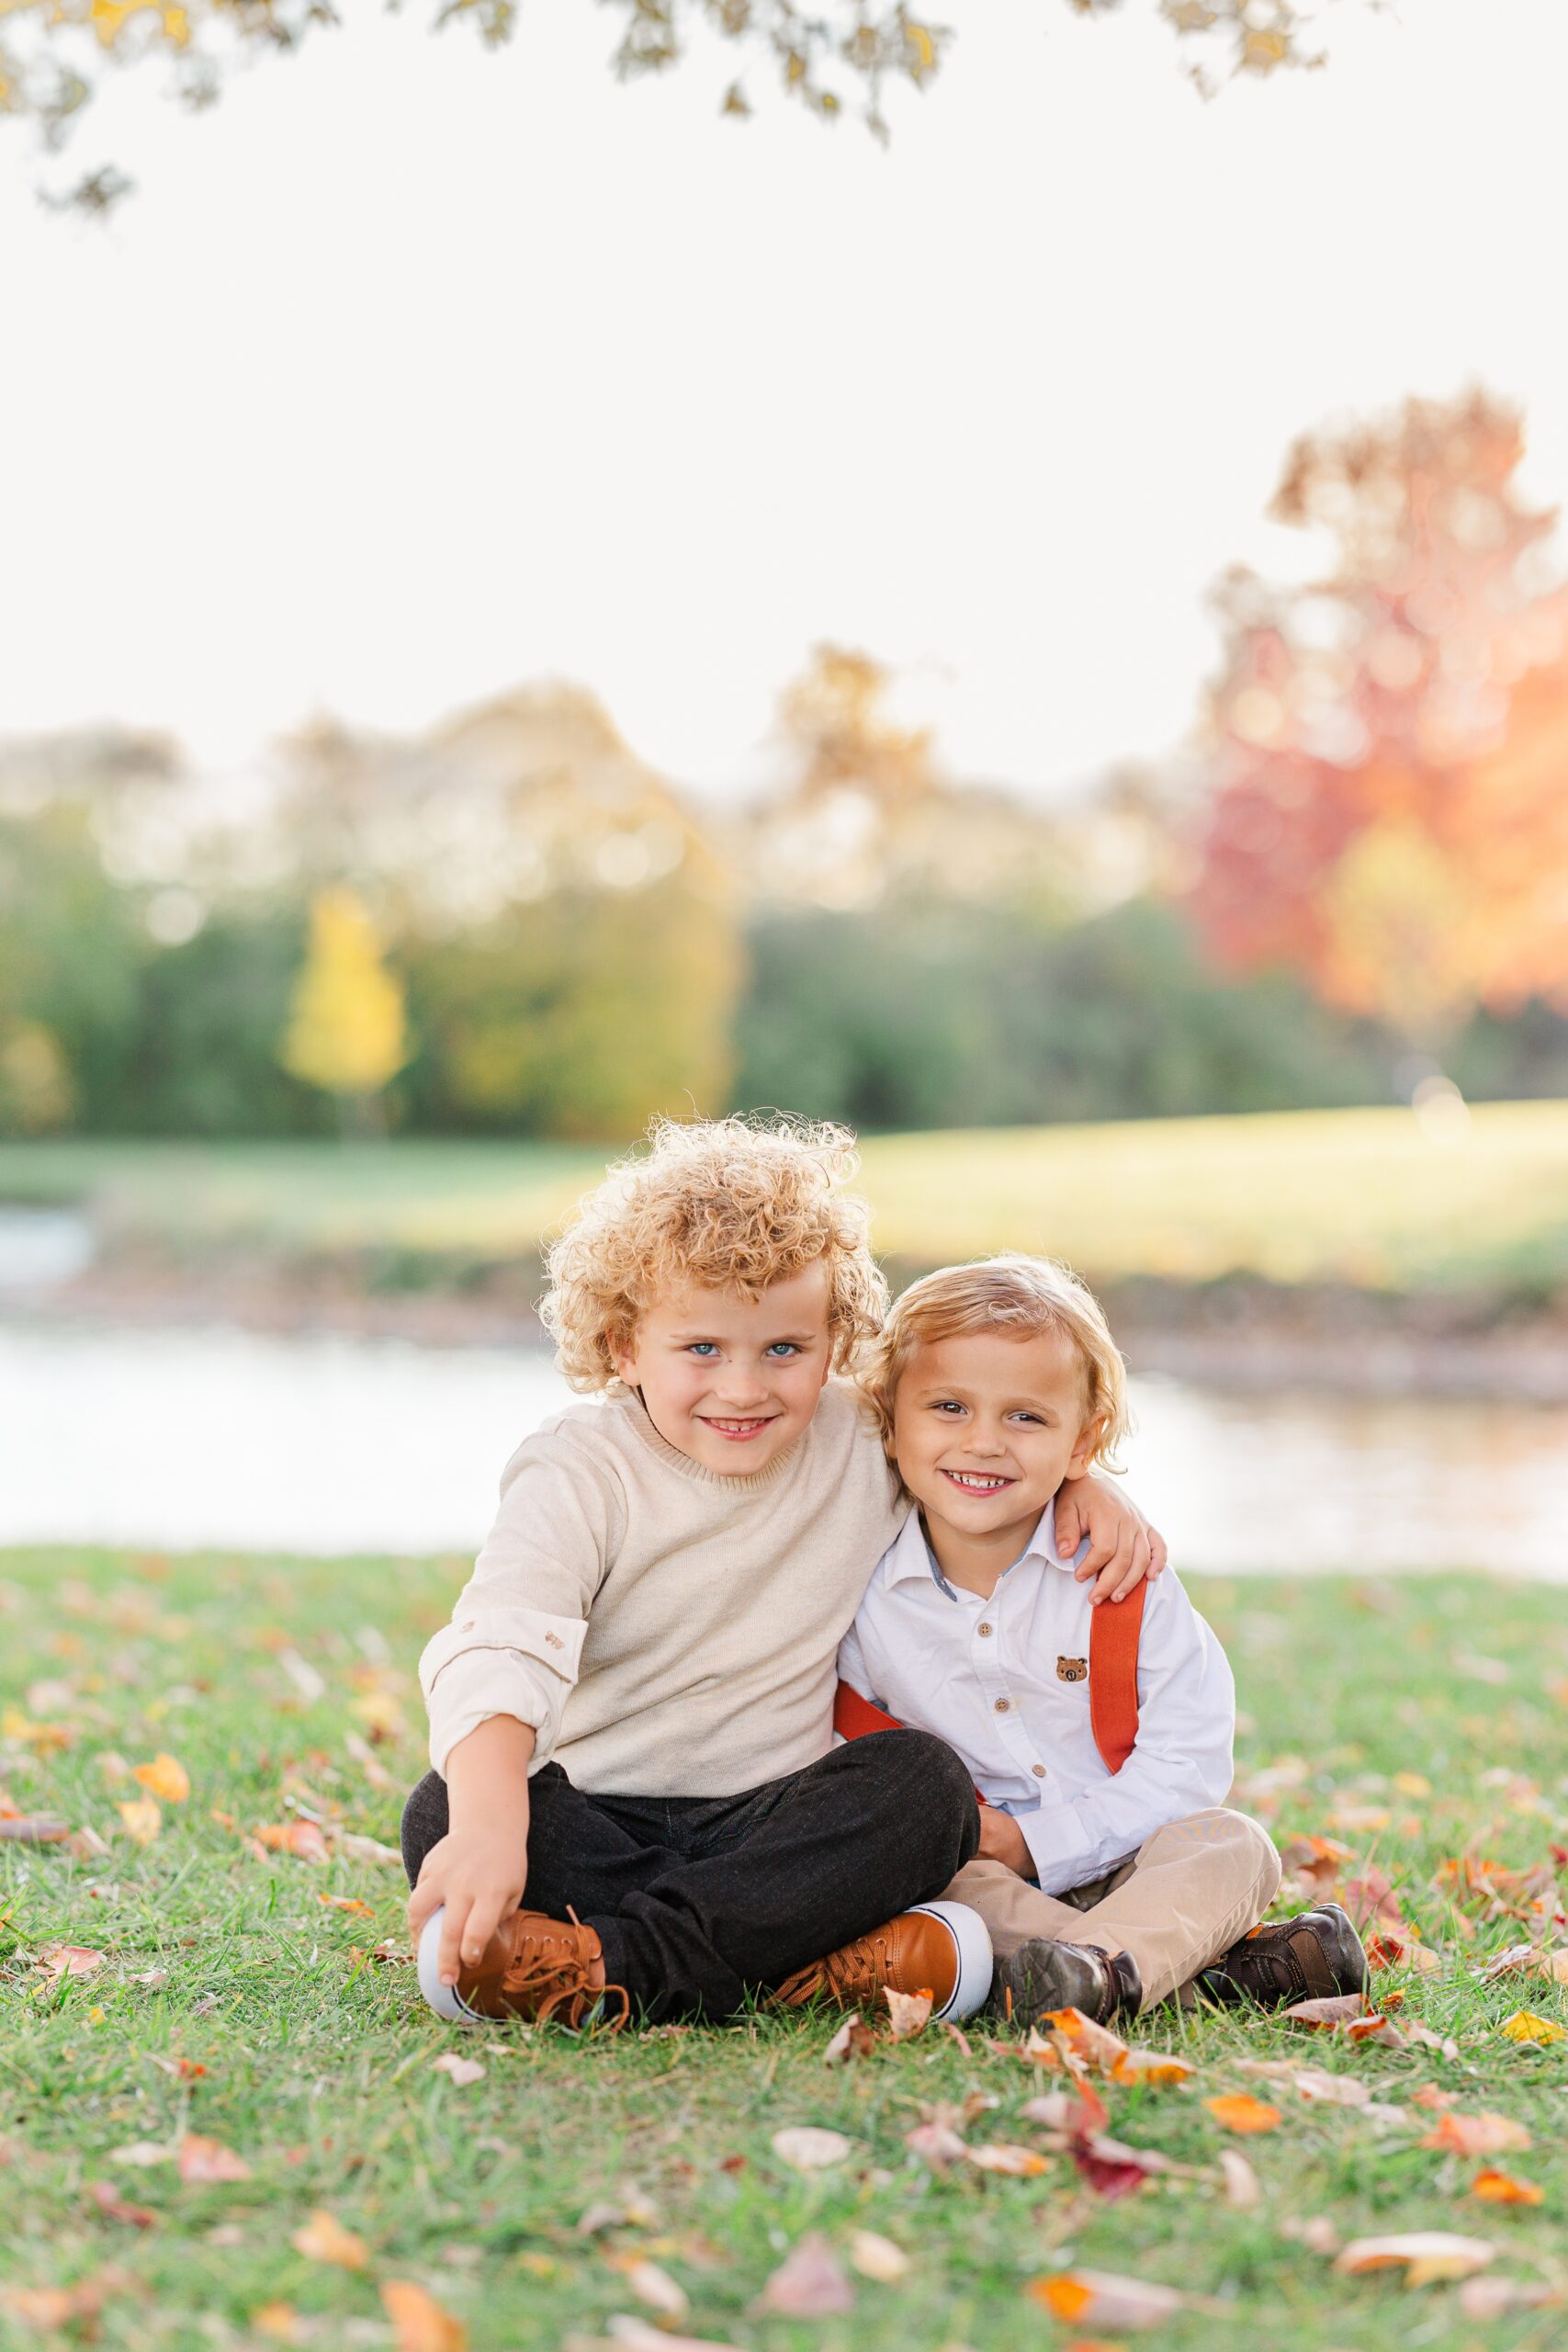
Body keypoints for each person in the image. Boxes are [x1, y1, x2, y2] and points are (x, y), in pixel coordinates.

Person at [400, 1117, 1163, 2028]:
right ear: (621, 1344)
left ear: (835, 1341)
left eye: (784, 1350)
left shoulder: (859, 1441)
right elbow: (501, 1641)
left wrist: (1082, 1486)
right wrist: (490, 1827)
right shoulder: (578, 1467)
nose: (744, 1388)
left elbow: (973, 1466)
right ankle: (804, 1957)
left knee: (922, 1785)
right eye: (701, 1349)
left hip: (778, 1821)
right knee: (447, 1803)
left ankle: (612, 1965)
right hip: (602, 1812)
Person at [819, 1255, 1367, 2027]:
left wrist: (1041, 1843)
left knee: (1233, 1845)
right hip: (976, 1874)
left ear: (1084, 1442)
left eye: (1026, 1417)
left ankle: (1092, 1970)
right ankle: (1187, 1971)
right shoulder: (859, 1586)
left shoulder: (1119, 1576)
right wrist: (994, 1848)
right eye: (947, 1407)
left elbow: (1187, 1762)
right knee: (925, 1885)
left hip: (1132, 1861)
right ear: (887, 1416)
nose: (982, 1442)